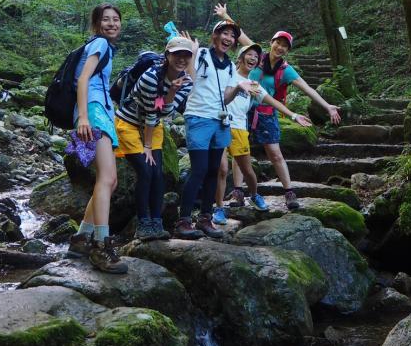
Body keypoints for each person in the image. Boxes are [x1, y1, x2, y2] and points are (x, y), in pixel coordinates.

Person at [215, 4, 341, 210]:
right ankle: (238, 191)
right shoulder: (257, 56)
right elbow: (239, 34)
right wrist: (225, 15)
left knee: (275, 153)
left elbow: (307, 88)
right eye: (278, 43)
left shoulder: (286, 70)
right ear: (271, 43)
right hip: (241, 110)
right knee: (239, 153)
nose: (280, 47)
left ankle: (289, 192)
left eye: (285, 45)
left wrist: (327, 106)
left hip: (266, 111)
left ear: (287, 50)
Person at [213, 43, 313, 223]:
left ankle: (254, 194)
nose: (253, 59)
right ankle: (219, 208)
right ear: (240, 57)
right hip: (219, 126)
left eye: (256, 57)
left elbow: (272, 101)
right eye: (249, 55)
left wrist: (293, 115)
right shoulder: (227, 74)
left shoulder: (254, 85)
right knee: (221, 169)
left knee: (248, 170)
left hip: (240, 128)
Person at [175, 19, 256, 239]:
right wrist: (191, 53)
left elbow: (226, 98)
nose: (228, 39)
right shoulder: (200, 54)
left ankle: (205, 218)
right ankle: (183, 220)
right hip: (198, 118)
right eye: (225, 34)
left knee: (213, 171)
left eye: (232, 36)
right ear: (215, 36)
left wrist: (239, 87)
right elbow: (190, 77)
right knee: (199, 169)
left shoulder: (230, 66)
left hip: (220, 120)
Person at [115, 34, 197, 240]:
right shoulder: (151, 77)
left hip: (154, 125)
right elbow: (152, 112)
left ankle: (157, 223)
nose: (182, 59)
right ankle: (143, 224)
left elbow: (166, 112)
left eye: (186, 55)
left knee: (157, 174)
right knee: (145, 173)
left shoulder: (185, 81)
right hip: (130, 123)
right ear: (167, 55)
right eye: (177, 54)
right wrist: (148, 147)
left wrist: (172, 91)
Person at [66, 3, 128, 274]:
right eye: (106, 20)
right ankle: (101, 246)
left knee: (109, 181)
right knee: (107, 179)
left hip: (99, 112)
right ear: (97, 24)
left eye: (116, 20)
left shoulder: (102, 46)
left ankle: (81, 238)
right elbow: (82, 80)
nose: (112, 23)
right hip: (92, 113)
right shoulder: (100, 44)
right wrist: (83, 118)